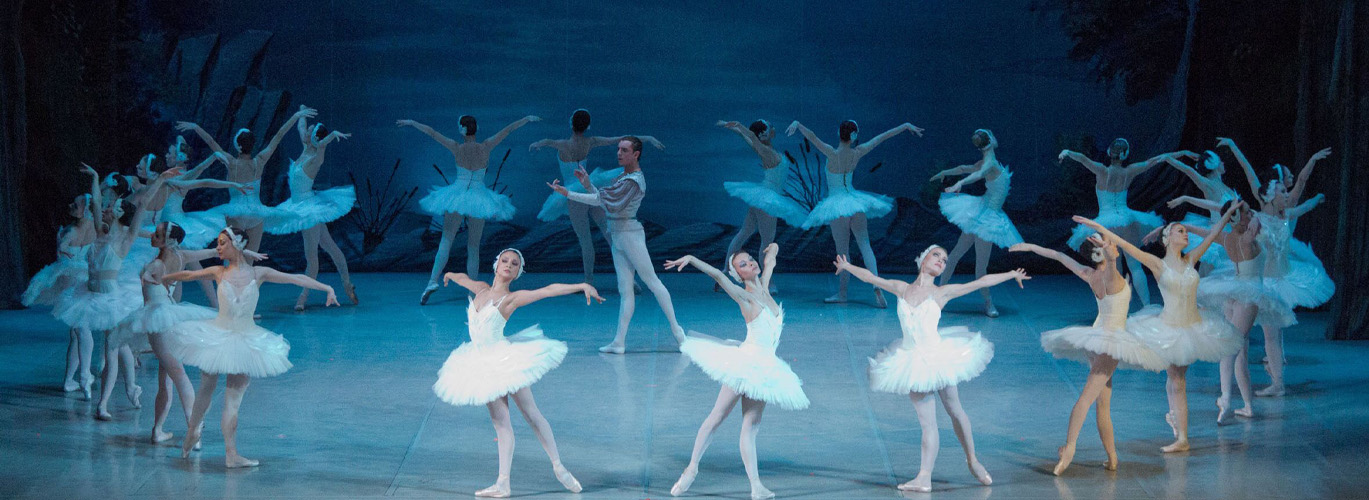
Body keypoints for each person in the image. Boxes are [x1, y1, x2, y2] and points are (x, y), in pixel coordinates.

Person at [840, 245, 1028, 492]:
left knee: (955, 410)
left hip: (939, 358)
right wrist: (847, 266)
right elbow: (871, 278)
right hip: (912, 363)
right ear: (923, 259)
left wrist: (1011, 274)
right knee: (927, 423)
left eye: (945, 259)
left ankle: (972, 460)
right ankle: (924, 477)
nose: (941, 260)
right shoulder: (901, 288)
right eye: (936, 255)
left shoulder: (942, 292)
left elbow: (980, 282)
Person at [163, 227, 339, 467]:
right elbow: (189, 275)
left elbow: (296, 278)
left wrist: (327, 288)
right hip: (216, 338)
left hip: (245, 341)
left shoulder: (259, 273)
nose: (218, 248)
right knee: (206, 389)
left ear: (237, 244)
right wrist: (165, 278)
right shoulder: (218, 272)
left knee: (232, 401)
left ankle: (231, 454)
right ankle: (193, 431)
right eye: (218, 243)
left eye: (223, 243)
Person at [434, 248, 601, 497]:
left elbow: (547, 290)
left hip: (505, 360)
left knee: (531, 413)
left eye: (514, 264)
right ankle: (503, 483)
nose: (508, 265)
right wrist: (449, 275)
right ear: (496, 264)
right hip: (481, 363)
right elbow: (463, 278)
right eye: (505, 261)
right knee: (501, 423)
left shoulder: (511, 299)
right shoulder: (480, 289)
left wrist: (582, 285)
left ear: (517, 272)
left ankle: (559, 467)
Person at [1010, 236, 1168, 474]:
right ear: (1102, 253)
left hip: (1096, 339)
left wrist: (1030, 245)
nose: (1113, 245)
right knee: (1086, 399)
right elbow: (1112, 263)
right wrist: (1110, 255)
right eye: (1107, 244)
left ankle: (1112, 457)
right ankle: (1069, 449)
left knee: (1102, 404)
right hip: (1109, 344)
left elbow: (1058, 256)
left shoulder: (1089, 274)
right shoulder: (1111, 274)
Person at [664, 244, 808, 500]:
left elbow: (771, 260)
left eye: (750, 259)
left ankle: (756, 487)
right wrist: (692, 258)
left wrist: (774, 248)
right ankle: (691, 469)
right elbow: (718, 277)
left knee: (750, 426)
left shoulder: (764, 287)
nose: (751, 263)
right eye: (743, 264)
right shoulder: (745, 296)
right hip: (745, 363)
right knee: (717, 416)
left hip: (765, 369)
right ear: (738, 275)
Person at [549, 137, 686, 353]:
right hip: (618, 235)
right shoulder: (623, 177)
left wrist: (573, 192)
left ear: (636, 154)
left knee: (652, 281)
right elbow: (602, 199)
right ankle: (619, 341)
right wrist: (582, 187)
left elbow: (607, 202)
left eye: (624, 150)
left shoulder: (634, 181)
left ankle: (678, 333)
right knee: (625, 289)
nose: (619, 153)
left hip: (630, 235)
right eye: (618, 149)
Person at [399, 114, 539, 304]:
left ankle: (432, 281)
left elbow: (432, 133)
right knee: (473, 246)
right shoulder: (486, 146)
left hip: (457, 195)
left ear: (461, 130)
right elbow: (507, 130)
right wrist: (526, 119)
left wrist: (413, 122)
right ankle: (474, 292)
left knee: (446, 240)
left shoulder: (456, 147)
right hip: (479, 198)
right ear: (476, 129)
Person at [790, 119, 922, 308]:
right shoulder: (857, 152)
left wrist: (798, 124)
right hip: (855, 203)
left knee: (843, 253)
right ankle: (877, 286)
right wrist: (905, 126)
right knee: (865, 245)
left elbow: (812, 137)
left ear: (839, 134)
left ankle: (842, 294)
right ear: (853, 136)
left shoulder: (832, 152)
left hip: (837, 206)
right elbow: (882, 137)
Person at [530, 109, 664, 285]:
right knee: (609, 235)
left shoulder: (562, 145)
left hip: (575, 195)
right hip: (590, 188)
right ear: (588, 126)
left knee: (585, 240)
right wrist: (648, 138)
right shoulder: (590, 142)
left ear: (571, 124)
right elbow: (620, 138)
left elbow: (546, 141)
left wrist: (538, 143)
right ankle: (631, 280)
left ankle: (589, 281)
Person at [931, 129, 1023, 317]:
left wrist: (945, 172)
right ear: (990, 142)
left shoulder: (988, 162)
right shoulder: (989, 163)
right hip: (986, 218)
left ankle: (939, 293)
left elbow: (963, 168)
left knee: (958, 254)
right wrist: (959, 184)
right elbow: (977, 174)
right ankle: (987, 302)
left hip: (982, 212)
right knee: (979, 265)